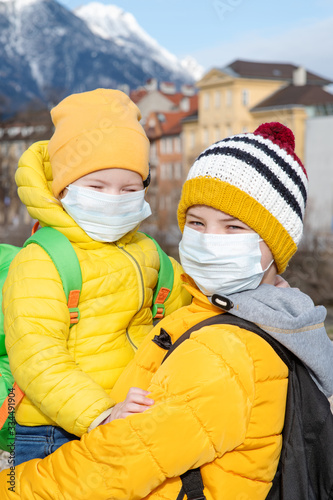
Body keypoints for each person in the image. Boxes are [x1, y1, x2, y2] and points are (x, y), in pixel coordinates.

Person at [2, 122, 333, 499]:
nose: (209, 240)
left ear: (277, 245)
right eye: (197, 223)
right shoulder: (250, 311)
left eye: (233, 227)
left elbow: (117, 465)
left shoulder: (223, 351)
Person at [1, 89, 190, 466]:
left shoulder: (146, 251)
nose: (114, 198)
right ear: (63, 188)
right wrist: (100, 413)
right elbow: (38, 358)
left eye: (129, 189)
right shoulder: (42, 260)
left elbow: (186, 303)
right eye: (98, 187)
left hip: (127, 415)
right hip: (57, 431)